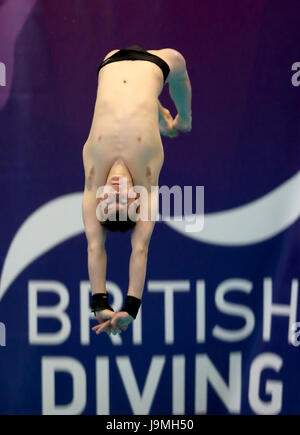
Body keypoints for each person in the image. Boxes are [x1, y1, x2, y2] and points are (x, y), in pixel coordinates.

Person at [82, 45, 192, 335]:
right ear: (136, 201)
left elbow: (95, 246)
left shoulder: (94, 173)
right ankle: (182, 118)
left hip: (112, 57)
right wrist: (130, 308)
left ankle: (159, 113)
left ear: (100, 200)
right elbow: (140, 248)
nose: (116, 191)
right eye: (124, 201)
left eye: (109, 200)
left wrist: (99, 301)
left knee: (137, 100)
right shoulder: (147, 179)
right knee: (178, 65)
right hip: (157, 64)